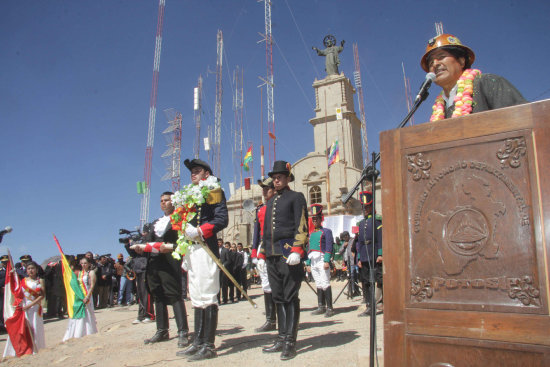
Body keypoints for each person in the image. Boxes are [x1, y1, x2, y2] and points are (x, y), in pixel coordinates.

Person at [175, 158, 228, 361]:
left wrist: (199, 230)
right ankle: (197, 341)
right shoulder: (189, 195)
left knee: (207, 295)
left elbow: (222, 219)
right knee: (195, 296)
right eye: (192, 171)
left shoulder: (214, 190)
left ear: (207, 174)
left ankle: (209, 344)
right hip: (192, 249)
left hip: (206, 247)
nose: (193, 173)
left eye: (197, 170)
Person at [420, 33, 526, 122]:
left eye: (441, 57)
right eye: (430, 63)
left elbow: (524, 118)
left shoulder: (487, 83)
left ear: (461, 61)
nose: (435, 64)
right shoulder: (440, 108)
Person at [261, 161, 308, 360]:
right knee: (278, 297)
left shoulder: (296, 197)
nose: (276, 180)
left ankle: (290, 341)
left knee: (290, 297)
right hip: (272, 254)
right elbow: (266, 230)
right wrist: (263, 252)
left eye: (280, 177)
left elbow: (302, 224)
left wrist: (297, 249)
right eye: (274, 177)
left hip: (288, 254)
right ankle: (281, 337)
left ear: (288, 178)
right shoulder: (270, 201)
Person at [131, 192, 190, 348]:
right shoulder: (155, 223)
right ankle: (162, 329)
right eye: (161, 200)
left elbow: (184, 242)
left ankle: (183, 331)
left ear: (173, 202)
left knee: (174, 295)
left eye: (167, 200)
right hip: (153, 262)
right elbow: (148, 242)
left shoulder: (180, 218)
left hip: (169, 262)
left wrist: (171, 248)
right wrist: (139, 248)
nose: (164, 203)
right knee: (157, 295)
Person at [251, 177, 277, 332]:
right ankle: (270, 319)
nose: (264, 192)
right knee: (266, 284)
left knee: (277, 284)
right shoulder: (260, 209)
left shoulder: (278, 206)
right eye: (263, 189)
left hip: (277, 248)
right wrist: (254, 252)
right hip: (263, 249)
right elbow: (256, 233)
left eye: (267, 189)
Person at [3, 261, 46, 357]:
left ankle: (36, 348)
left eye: (33, 268)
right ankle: (23, 348)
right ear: (26, 270)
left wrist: (30, 305)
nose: (31, 270)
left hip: (35, 308)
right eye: (29, 269)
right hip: (24, 308)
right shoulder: (23, 281)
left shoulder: (39, 281)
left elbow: (42, 296)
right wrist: (11, 275)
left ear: (36, 269)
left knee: (35, 328)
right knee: (23, 328)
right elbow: (16, 290)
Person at [355, 191, 383, 317]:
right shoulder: (361, 224)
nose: (365, 210)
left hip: (374, 254)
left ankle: (378, 304)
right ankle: (368, 305)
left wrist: (380, 254)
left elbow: (381, 238)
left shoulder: (377, 221)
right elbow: (359, 242)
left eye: (367, 207)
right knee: (365, 282)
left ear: (372, 207)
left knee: (376, 280)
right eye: (363, 207)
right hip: (365, 255)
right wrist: (359, 258)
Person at [305, 204, 335, 317]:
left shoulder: (326, 231)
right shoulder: (311, 234)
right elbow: (309, 248)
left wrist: (327, 260)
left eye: (316, 218)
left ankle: (330, 308)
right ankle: (321, 306)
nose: (314, 220)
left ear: (320, 219)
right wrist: (308, 263)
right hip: (313, 260)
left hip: (322, 259)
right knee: (318, 283)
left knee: (325, 282)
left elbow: (329, 246)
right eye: (313, 219)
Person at [63, 257, 98, 341]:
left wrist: (87, 296)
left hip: (87, 295)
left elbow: (92, 285)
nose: (83, 265)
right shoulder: (79, 273)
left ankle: (90, 330)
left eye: (85, 263)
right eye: (82, 263)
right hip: (80, 296)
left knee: (88, 312)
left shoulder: (91, 272)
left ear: (89, 264)